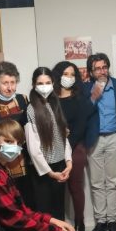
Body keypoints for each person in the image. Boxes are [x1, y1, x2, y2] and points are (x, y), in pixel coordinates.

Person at [83, 53, 116, 231]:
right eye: (97, 69)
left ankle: (112, 222)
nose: (102, 71)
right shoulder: (85, 88)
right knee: (96, 183)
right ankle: (100, 221)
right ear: (91, 72)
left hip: (114, 137)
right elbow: (83, 113)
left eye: (104, 67)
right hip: (94, 139)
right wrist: (94, 96)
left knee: (113, 181)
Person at [51, 61, 95, 231]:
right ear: (57, 75)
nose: (69, 78)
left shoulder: (80, 98)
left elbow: (80, 127)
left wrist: (66, 146)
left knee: (75, 187)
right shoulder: (50, 98)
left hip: (75, 146)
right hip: (53, 147)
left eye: (72, 75)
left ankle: (79, 222)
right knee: (55, 188)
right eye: (65, 74)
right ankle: (58, 225)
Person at [26, 67, 73, 219]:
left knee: (59, 209)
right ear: (34, 85)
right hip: (43, 170)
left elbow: (63, 136)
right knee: (45, 213)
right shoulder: (31, 109)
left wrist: (69, 162)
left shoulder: (55, 103)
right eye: (40, 83)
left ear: (53, 83)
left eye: (47, 82)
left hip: (60, 165)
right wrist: (51, 173)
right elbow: (33, 149)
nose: (44, 86)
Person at [0, 61, 32, 199]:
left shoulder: (22, 99)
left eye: (13, 82)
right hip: (2, 157)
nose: (9, 87)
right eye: (5, 83)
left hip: (23, 156)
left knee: (25, 196)